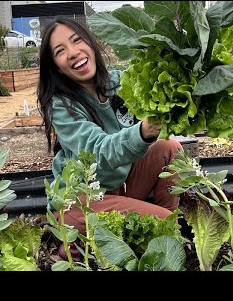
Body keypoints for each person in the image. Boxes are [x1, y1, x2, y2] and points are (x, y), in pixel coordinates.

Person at [37, 16, 183, 238]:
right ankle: (163, 227)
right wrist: (143, 132)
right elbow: (97, 151)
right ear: (56, 68)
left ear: (91, 44)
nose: (73, 52)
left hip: (119, 187)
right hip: (80, 202)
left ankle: (162, 233)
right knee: (165, 222)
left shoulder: (120, 82)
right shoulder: (61, 106)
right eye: (60, 51)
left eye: (77, 40)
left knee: (169, 148)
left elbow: (159, 88)